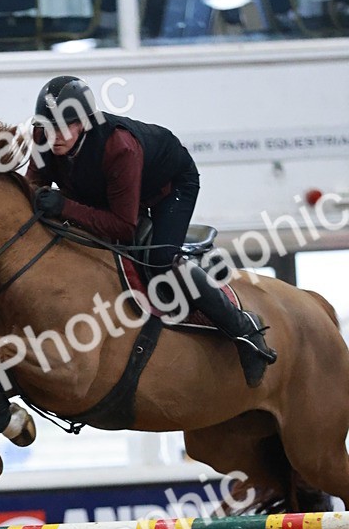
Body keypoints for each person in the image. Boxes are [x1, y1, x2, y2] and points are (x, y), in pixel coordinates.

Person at [27, 75, 277, 387]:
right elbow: (33, 187)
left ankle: (244, 331)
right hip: (109, 190)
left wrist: (64, 207)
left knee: (160, 261)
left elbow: (124, 226)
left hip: (170, 186)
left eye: (63, 128)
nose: (54, 137)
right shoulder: (43, 134)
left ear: (85, 124)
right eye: (47, 128)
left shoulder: (119, 147)